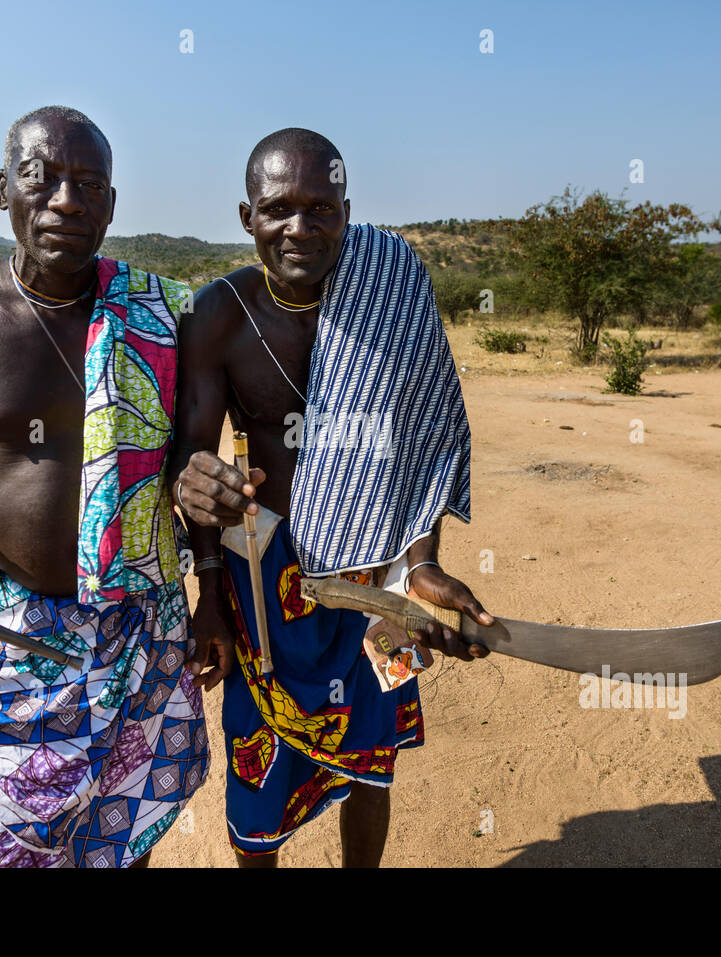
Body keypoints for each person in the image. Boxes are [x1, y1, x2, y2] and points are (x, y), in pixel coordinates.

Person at [0, 105, 207, 868]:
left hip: (141, 622)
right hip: (15, 630)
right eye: (43, 178)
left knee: (123, 828)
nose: (67, 200)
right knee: (21, 839)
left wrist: (217, 586)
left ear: (111, 206)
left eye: (89, 185)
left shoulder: (163, 316)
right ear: (4, 190)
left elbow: (193, 457)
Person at [172, 128, 491, 867]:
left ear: (348, 212)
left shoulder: (389, 292)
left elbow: (424, 434)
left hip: (375, 572)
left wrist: (419, 565)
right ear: (246, 216)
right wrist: (209, 595)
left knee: (372, 757)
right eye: (279, 208)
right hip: (262, 582)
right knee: (259, 771)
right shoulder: (217, 313)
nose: (301, 228)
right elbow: (192, 462)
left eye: (322, 207)